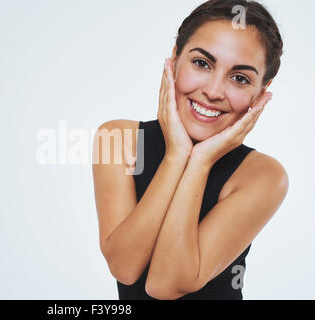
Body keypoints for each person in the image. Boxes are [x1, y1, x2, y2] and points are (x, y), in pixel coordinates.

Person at [92, 0, 289, 300]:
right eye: (201, 63)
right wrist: (175, 156)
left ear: (260, 94)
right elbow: (124, 267)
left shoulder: (263, 175)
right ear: (174, 59)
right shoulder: (118, 138)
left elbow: (166, 284)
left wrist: (199, 162)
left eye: (240, 78)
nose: (213, 91)